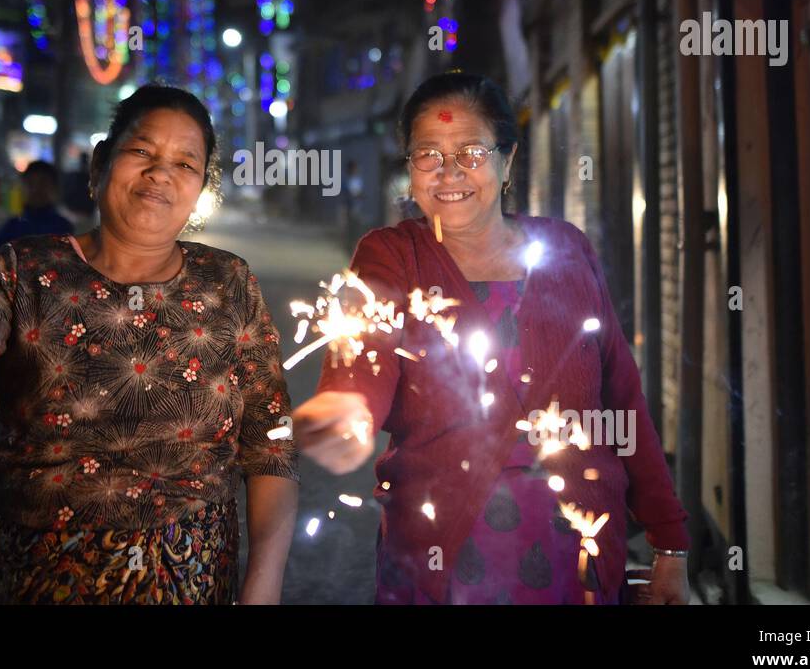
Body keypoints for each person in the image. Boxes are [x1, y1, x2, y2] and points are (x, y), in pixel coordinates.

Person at [0, 85, 300, 604]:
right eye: (141, 151)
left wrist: (264, 582)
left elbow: (271, 442)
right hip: (45, 581)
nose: (160, 173)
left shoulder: (228, 281)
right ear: (99, 166)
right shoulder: (25, 272)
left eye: (185, 163)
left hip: (195, 580)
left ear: (201, 187)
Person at [292, 71, 690, 605]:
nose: (448, 171)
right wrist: (346, 408)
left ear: (508, 160)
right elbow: (364, 356)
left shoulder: (566, 251)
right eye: (427, 153)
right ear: (409, 170)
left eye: (472, 152)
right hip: (445, 561)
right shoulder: (392, 255)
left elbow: (624, 401)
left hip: (578, 557)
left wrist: (671, 545)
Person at [0, 160, 76, 255]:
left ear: (54, 188)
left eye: (43, 183)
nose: (36, 189)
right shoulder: (11, 228)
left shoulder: (63, 228)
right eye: (30, 183)